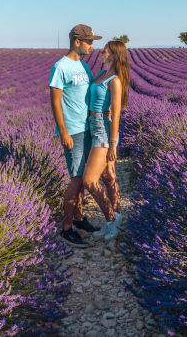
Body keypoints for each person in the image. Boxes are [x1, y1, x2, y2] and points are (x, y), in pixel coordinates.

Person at [50, 24, 104, 248]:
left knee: (82, 177)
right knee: (76, 179)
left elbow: (91, 91)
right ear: (77, 41)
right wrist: (63, 131)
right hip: (73, 130)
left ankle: (80, 219)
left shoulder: (83, 66)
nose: (92, 45)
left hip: (88, 126)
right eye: (89, 41)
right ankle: (67, 227)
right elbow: (54, 101)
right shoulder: (60, 67)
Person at [83, 40, 130, 240]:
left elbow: (117, 114)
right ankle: (114, 222)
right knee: (109, 178)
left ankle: (112, 221)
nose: (101, 52)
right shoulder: (102, 74)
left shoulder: (115, 80)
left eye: (105, 51)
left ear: (114, 55)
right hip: (94, 126)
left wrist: (112, 144)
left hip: (103, 129)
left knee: (89, 180)